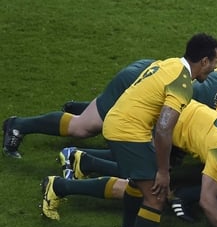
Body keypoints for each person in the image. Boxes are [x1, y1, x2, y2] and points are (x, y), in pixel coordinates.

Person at [101, 33, 217, 227]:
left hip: (119, 123)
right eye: (215, 61)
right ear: (205, 60)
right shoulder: (183, 83)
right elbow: (164, 129)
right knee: (156, 195)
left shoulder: (168, 64)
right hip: (128, 132)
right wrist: (164, 171)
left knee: (138, 183)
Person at [2, 59, 154, 158]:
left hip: (150, 71)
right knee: (83, 127)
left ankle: (90, 108)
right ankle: (18, 125)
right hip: (138, 81)